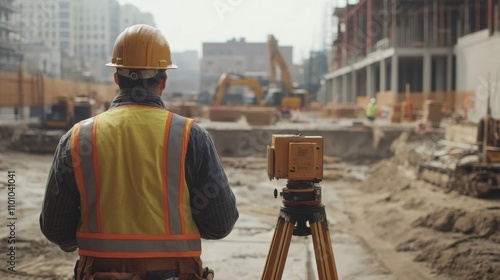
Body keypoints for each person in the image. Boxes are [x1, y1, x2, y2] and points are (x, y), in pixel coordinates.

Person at [40, 24, 239, 280]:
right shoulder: (191, 136)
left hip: (101, 274)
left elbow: (56, 228)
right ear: (164, 80)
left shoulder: (77, 138)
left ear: (116, 78)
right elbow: (220, 223)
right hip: (174, 274)